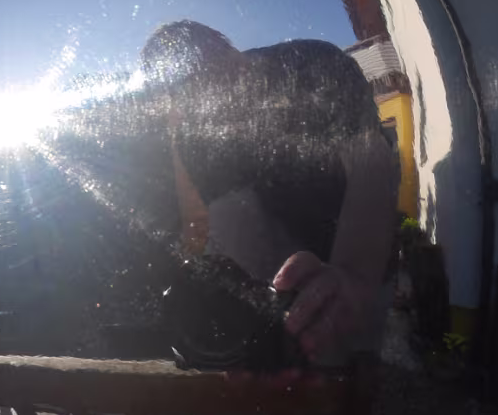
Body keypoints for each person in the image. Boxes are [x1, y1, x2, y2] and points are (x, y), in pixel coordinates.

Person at [137, 20, 399, 366]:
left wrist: (355, 278)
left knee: (364, 357)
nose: (220, 103)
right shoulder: (195, 137)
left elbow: (371, 160)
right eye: (191, 96)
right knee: (301, 356)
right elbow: (235, 221)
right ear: (178, 103)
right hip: (288, 258)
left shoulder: (312, 63)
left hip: (363, 247)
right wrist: (261, 318)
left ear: (228, 49)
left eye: (218, 75)